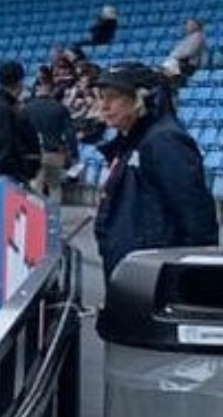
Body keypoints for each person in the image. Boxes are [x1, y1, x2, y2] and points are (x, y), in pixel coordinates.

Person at [91, 63, 217, 289]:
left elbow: (195, 215)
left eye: (114, 97)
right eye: (102, 97)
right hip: (135, 269)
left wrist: (195, 277)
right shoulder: (132, 138)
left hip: (155, 275)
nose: (105, 105)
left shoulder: (164, 141)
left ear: (141, 98)